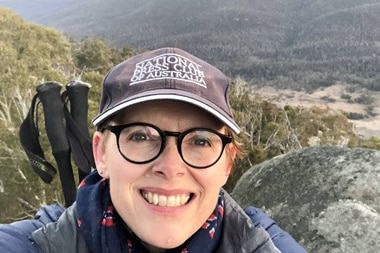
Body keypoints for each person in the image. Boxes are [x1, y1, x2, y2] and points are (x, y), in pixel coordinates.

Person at [0, 47, 307, 253]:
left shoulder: (261, 242)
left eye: (200, 140)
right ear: (101, 154)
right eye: (142, 137)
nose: (171, 166)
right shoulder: (37, 243)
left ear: (227, 164)